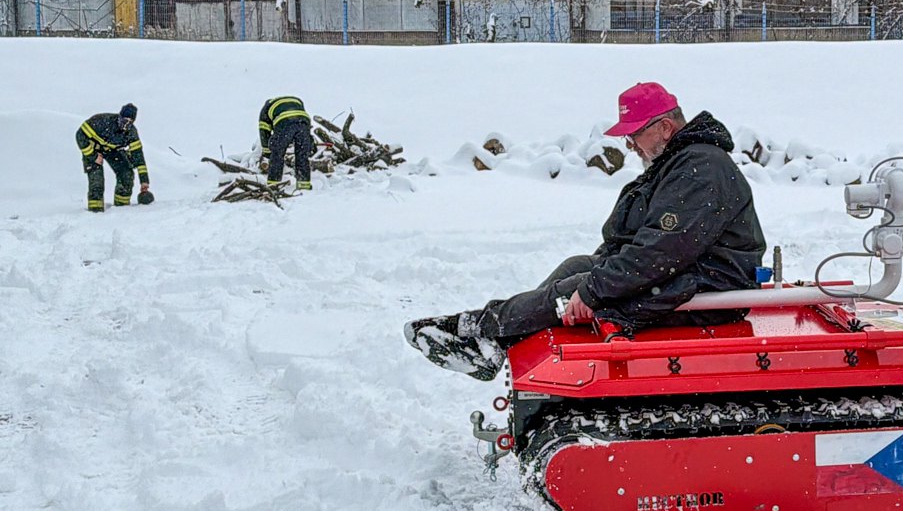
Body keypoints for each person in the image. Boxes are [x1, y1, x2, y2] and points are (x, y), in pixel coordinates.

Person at [404, 82, 766, 381]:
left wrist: (592, 290)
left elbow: (660, 251)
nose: (630, 146)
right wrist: (598, 273)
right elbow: (647, 241)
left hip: (706, 286)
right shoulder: (681, 162)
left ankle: (473, 328)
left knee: (572, 292)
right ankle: (493, 346)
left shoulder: (700, 168)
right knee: (575, 267)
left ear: (665, 128)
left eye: (633, 136)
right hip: (685, 274)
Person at [76, 103, 151, 212]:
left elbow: (138, 158)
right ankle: (95, 212)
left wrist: (144, 182)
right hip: (93, 150)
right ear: (119, 117)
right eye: (123, 121)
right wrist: (93, 156)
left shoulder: (132, 133)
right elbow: (80, 135)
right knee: (97, 181)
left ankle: (121, 208)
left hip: (113, 151)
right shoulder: (100, 121)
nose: (125, 125)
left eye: (129, 122)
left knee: (127, 174)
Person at [259, 96, 314, 191]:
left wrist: (267, 152)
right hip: (304, 120)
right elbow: (300, 120)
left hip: (284, 122)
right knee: (302, 155)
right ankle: (304, 185)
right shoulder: (296, 100)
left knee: (277, 154)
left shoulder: (265, 110)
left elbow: (264, 132)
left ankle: (273, 185)